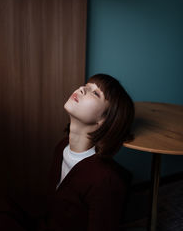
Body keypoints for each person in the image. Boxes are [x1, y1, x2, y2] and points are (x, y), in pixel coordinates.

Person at [43, 73, 135, 231]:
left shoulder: (105, 180)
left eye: (95, 92)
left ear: (105, 120)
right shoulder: (62, 146)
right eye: (86, 85)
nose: (81, 89)